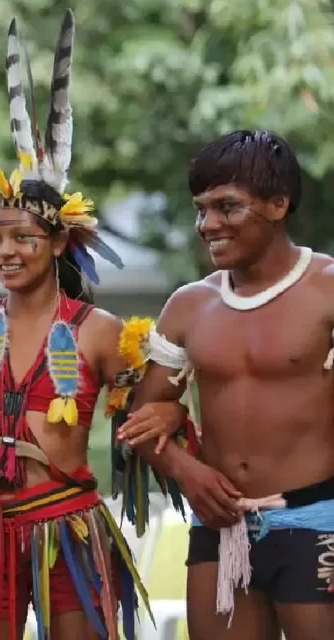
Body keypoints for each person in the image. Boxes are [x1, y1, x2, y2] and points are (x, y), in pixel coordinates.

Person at [0, 10, 187, 639]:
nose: (5, 251)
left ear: (59, 243)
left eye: (23, 237)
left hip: (66, 526)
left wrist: (171, 413)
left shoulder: (99, 330)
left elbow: (155, 405)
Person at [113, 130, 334, 640]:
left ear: (278, 205)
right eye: (201, 209)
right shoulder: (189, 305)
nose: (208, 224)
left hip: (315, 520)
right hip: (220, 528)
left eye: (227, 207)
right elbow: (140, 422)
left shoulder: (326, 290)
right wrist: (188, 471)